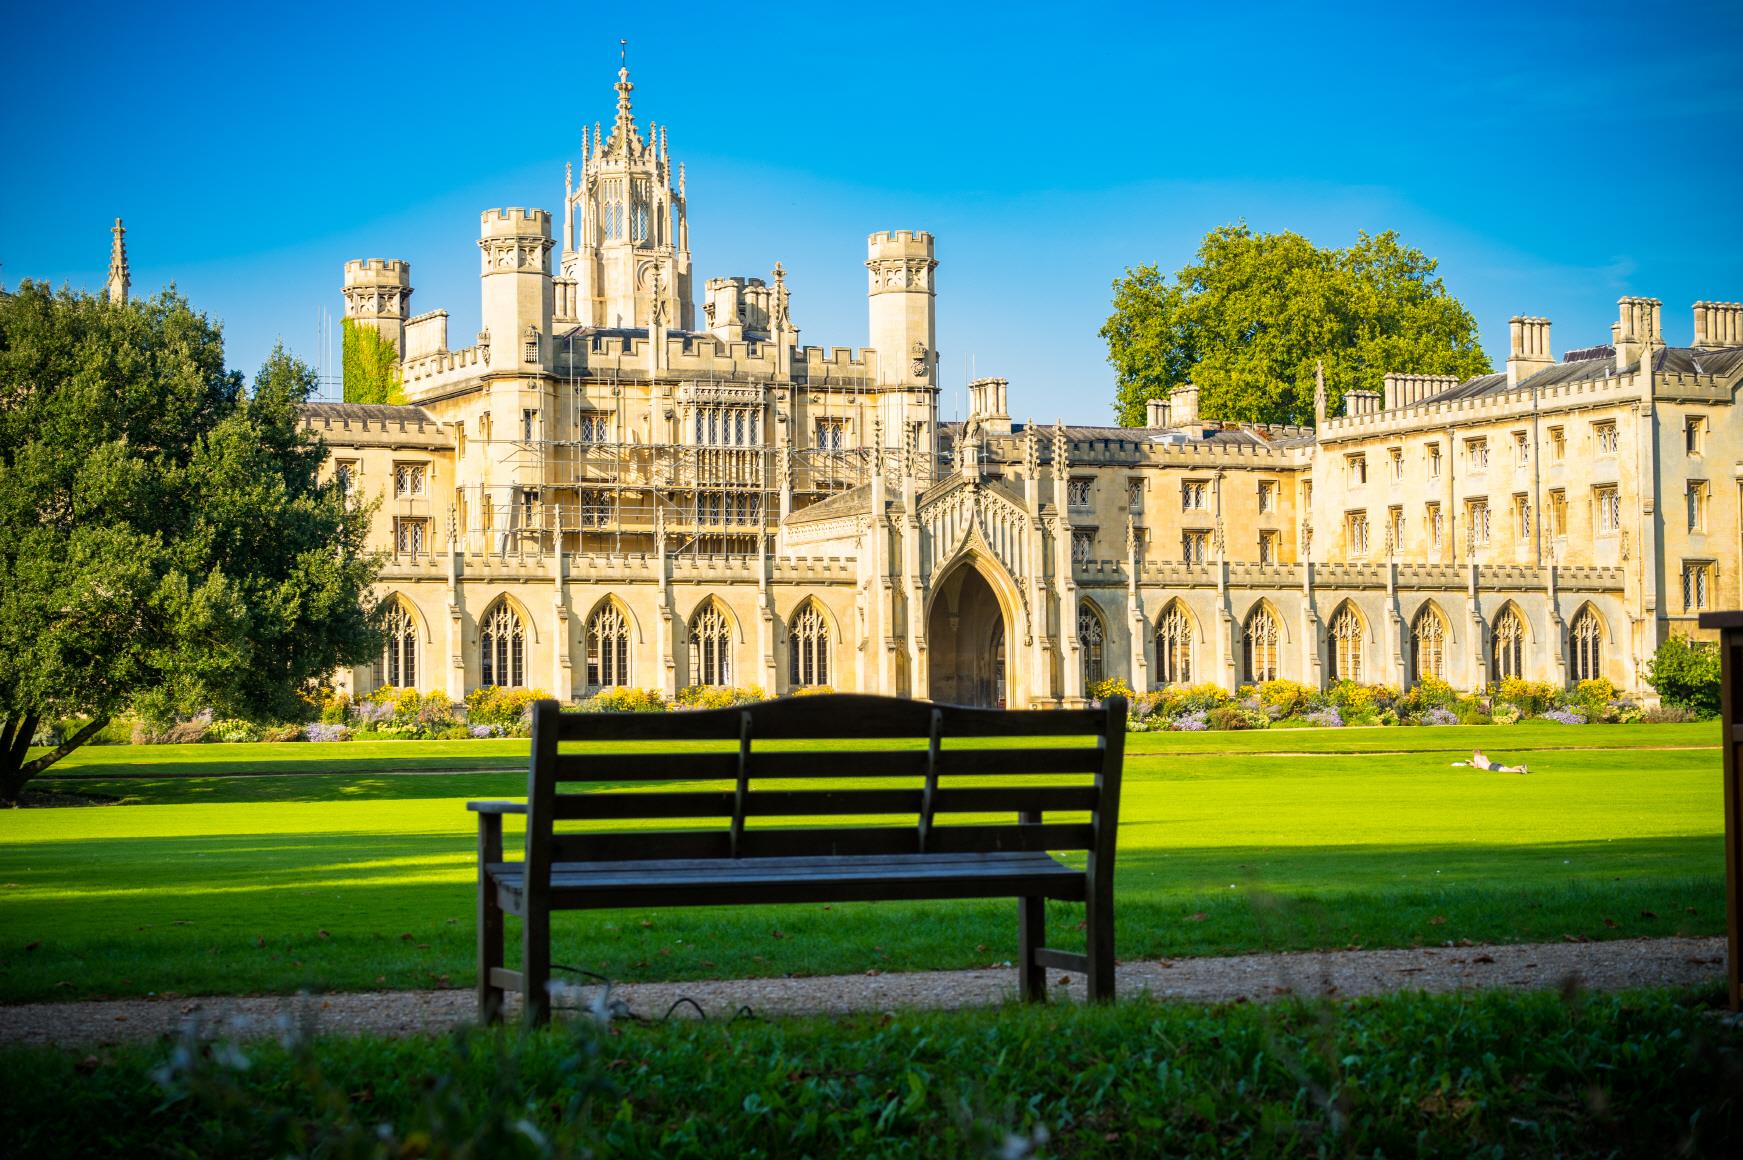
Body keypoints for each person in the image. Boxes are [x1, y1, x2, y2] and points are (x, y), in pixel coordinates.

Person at [1451, 748, 1528, 775]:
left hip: (1491, 767)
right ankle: (1521, 766)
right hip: (1494, 764)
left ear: (1475, 753)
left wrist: (1470, 763)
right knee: (1508, 768)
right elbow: (1484, 763)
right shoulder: (1484, 756)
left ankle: (1521, 771)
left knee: (1508, 771)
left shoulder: (1476, 757)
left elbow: (1477, 767)